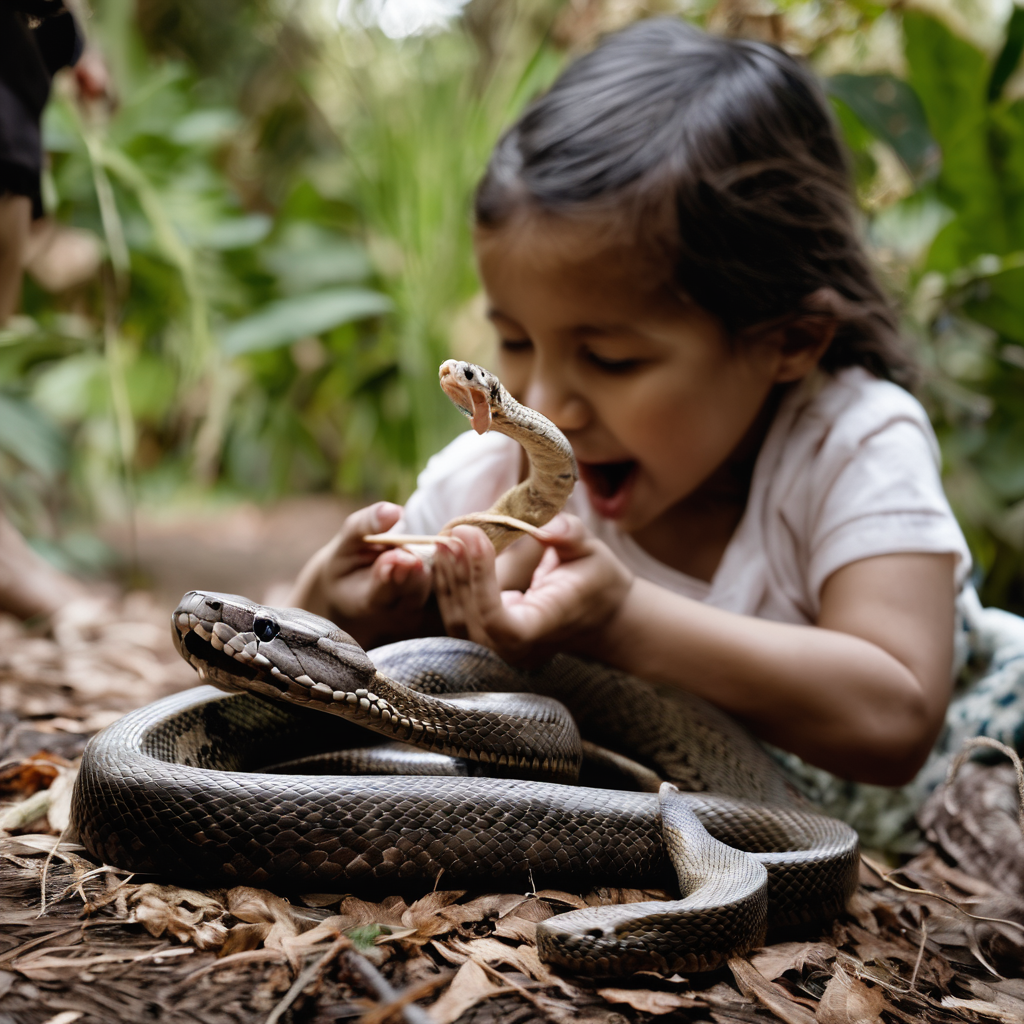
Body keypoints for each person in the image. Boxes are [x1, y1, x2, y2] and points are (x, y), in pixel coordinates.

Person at [290, 20, 978, 846]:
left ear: (788, 341)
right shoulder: (496, 480)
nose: (546, 401)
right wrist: (340, 609)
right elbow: (311, 652)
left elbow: (895, 716)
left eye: (609, 359)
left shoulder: (851, 444)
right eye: (514, 341)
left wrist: (624, 625)